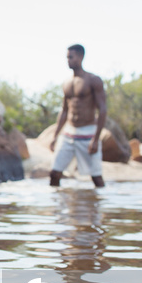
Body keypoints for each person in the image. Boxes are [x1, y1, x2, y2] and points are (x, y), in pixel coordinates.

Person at [49, 44, 107, 188]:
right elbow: (64, 111)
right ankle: (56, 207)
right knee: (54, 173)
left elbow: (103, 110)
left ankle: (99, 206)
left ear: (80, 57)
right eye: (67, 57)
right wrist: (55, 136)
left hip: (88, 133)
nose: (68, 60)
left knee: (96, 177)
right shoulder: (66, 83)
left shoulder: (93, 80)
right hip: (69, 133)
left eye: (71, 57)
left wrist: (96, 139)